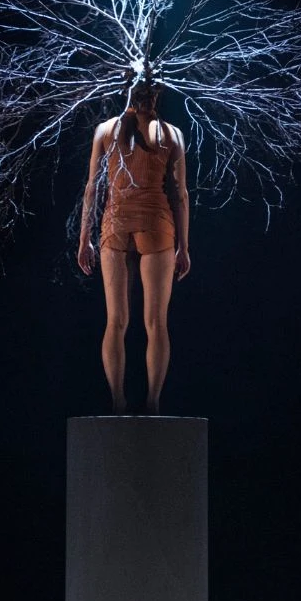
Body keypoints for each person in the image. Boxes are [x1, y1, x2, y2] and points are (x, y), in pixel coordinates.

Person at [77, 74, 190, 414]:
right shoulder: (172, 134)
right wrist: (184, 245)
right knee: (156, 322)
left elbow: (92, 188)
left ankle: (117, 400)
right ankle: (153, 401)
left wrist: (84, 237)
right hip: (158, 226)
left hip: (115, 224)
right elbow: (180, 194)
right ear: (158, 95)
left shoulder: (104, 130)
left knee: (116, 322)